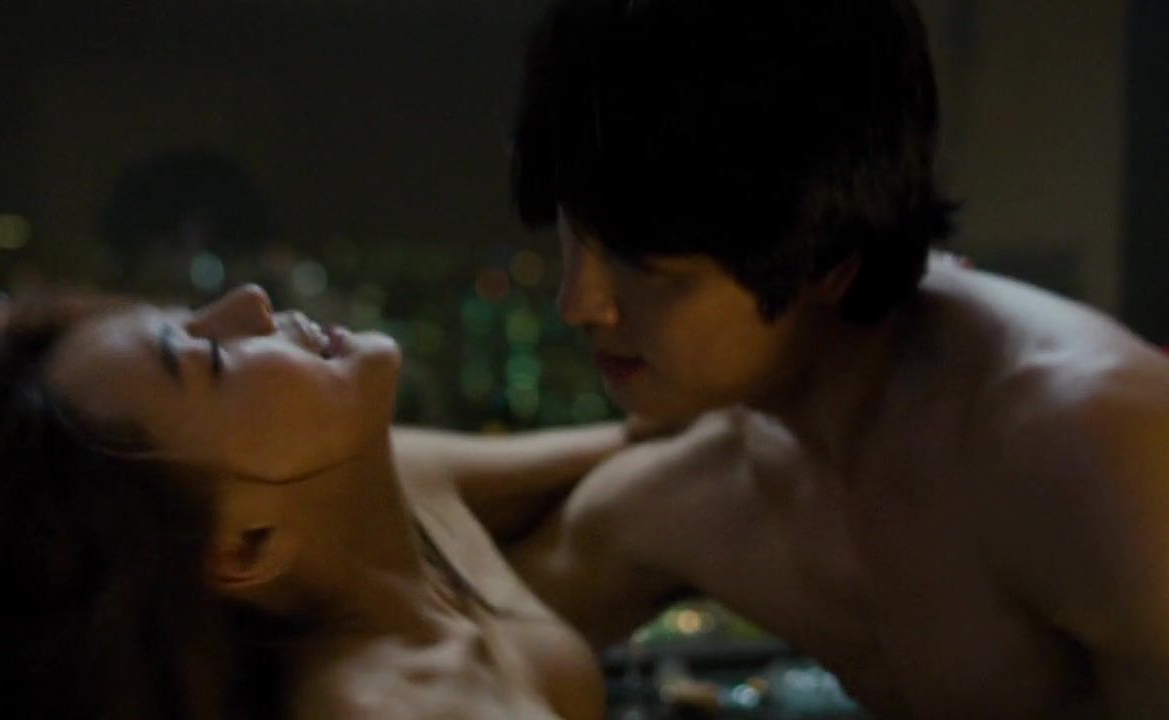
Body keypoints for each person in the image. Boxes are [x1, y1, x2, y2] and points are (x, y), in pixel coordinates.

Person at [498, 0, 1169, 717]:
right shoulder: (692, 489)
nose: (579, 302)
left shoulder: (1091, 447)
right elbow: (457, 657)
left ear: (826, 258)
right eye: (573, 233)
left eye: (650, 267)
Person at [0, 284, 625, 720]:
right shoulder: (376, 707)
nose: (250, 303)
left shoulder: (399, 482)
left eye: (193, 316)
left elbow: (654, 447)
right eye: (210, 357)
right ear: (239, 547)